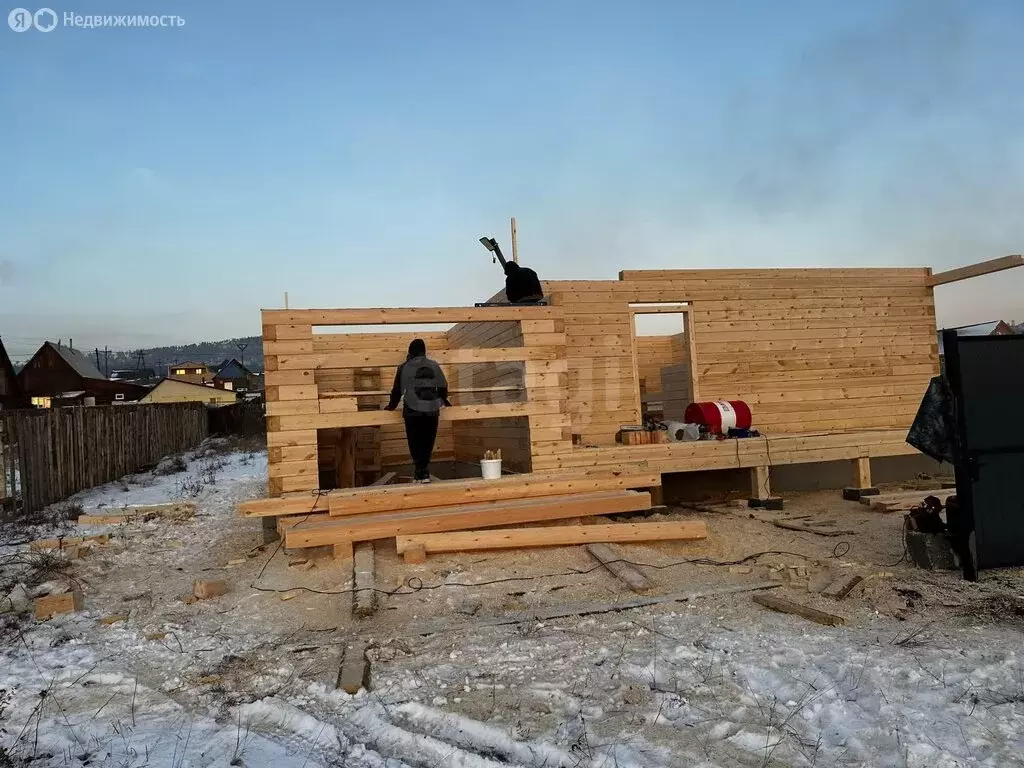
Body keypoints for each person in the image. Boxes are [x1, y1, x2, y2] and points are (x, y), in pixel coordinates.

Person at [384, 339, 451, 483]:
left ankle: (420, 473)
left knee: (415, 441)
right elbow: (443, 386)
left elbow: (397, 390)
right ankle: (424, 473)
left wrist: (392, 405)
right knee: (428, 441)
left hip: (412, 410)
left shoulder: (403, 367)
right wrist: (443, 400)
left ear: (410, 352)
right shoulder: (434, 365)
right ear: (424, 351)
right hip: (431, 409)